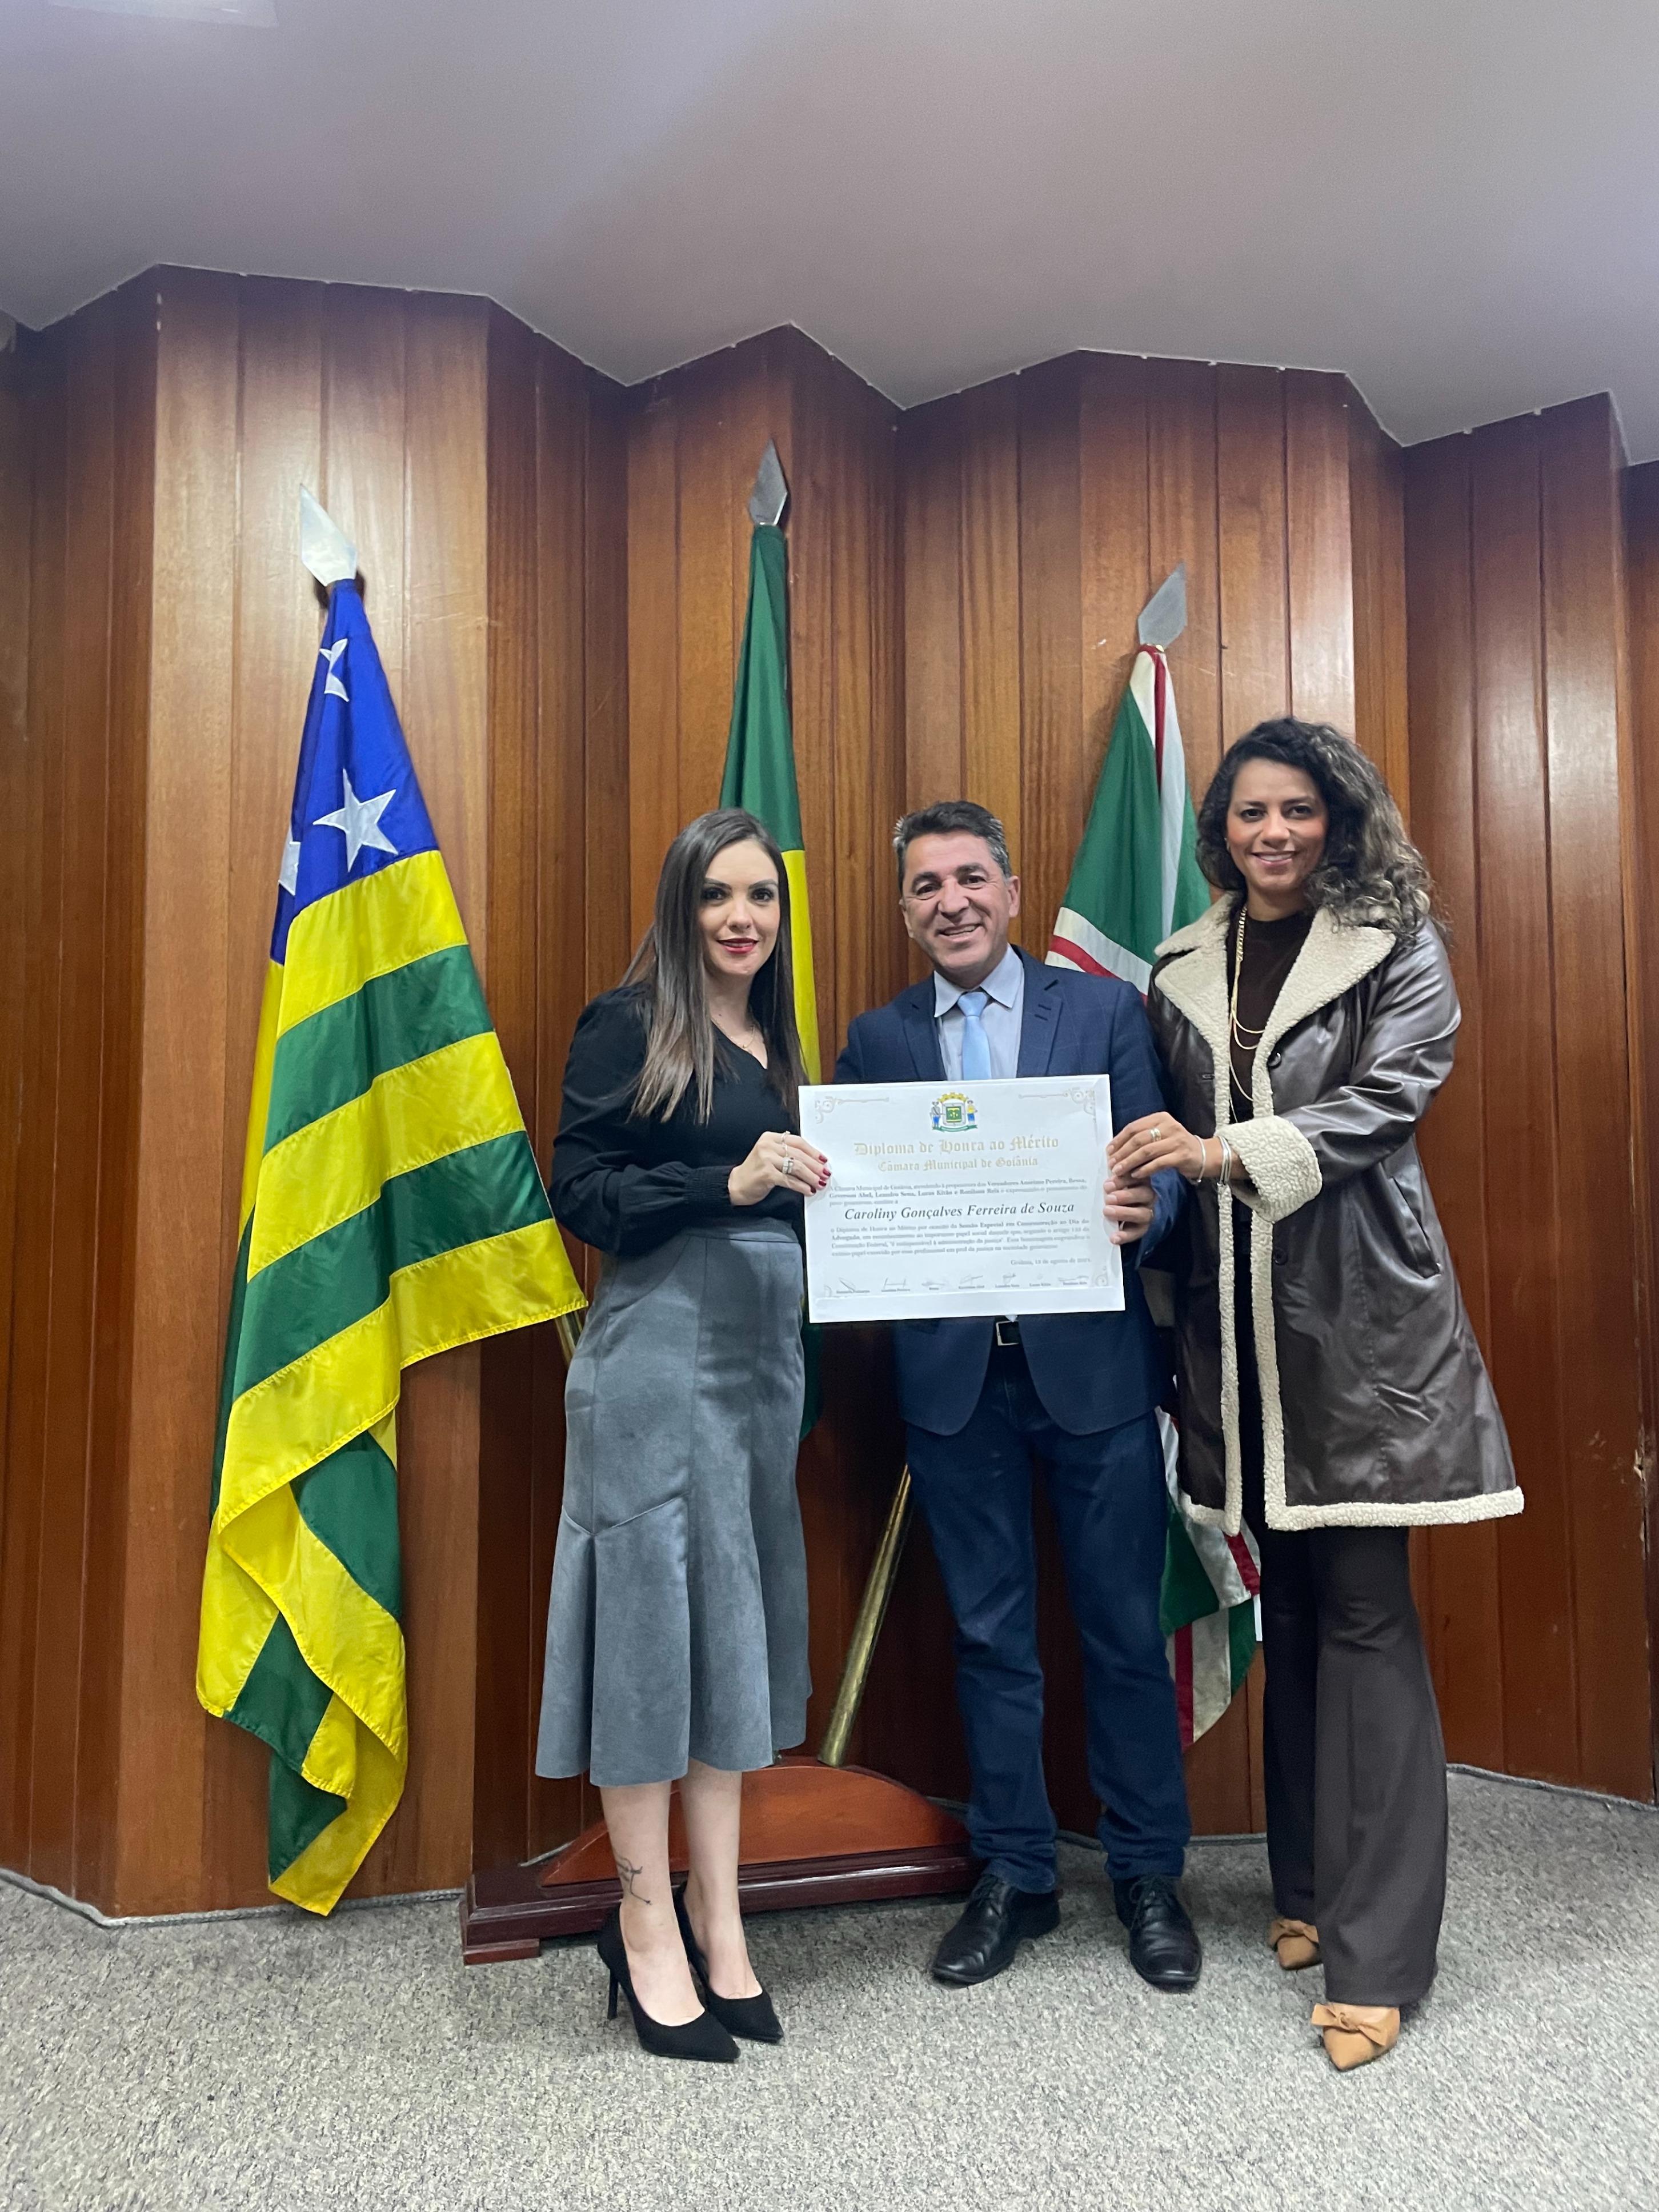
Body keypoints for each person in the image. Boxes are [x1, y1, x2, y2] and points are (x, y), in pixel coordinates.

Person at [1108, 719, 1521, 2072]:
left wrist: (1223, 1152)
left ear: (1337, 820)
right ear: (1219, 830)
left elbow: (1392, 1097)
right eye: (1249, 812)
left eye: (1297, 809)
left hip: (1361, 1323)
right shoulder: (1181, 964)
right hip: (1234, 1337)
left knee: (1364, 1615)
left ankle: (1381, 1955)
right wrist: (1152, 1190)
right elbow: (1168, 1145)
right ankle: (1306, 1893)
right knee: (1283, 1607)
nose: (1272, 832)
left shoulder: (1396, 942)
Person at [835, 800, 1200, 1993]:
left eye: (970, 878)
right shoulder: (877, 1041)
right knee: (992, 1642)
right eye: (926, 885)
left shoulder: (1099, 1012)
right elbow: (855, 1208)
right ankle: (1017, 1874)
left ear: (1011, 889)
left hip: (1093, 1374)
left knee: (1123, 1634)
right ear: (906, 911)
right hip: (956, 1387)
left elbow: (1167, 1171)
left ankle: (1148, 1874)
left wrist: (1151, 1212)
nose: (951, 901)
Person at [535, 807, 830, 2063]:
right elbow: (579, 1192)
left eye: (761, 895)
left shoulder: (784, 1042)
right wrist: (728, 1182)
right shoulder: (630, 1022)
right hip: (656, 1361)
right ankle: (643, 1922)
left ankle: (722, 1918)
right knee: (653, 1637)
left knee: (729, 1637)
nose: (741, 918)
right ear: (680, 904)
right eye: (717, 895)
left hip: (763, 1367)